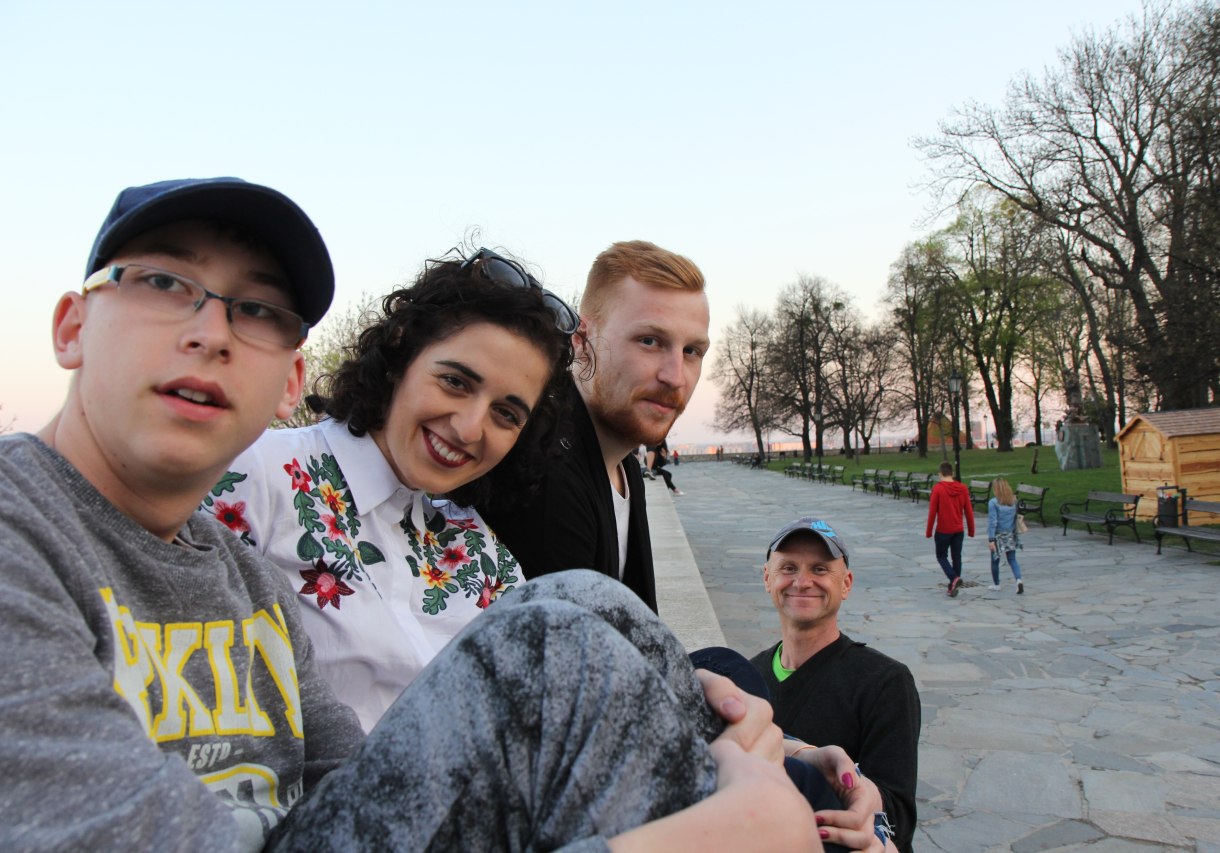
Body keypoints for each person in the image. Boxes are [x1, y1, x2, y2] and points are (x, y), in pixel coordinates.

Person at [0, 177, 850, 851]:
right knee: (560, 635)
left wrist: (737, 727)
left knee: (597, 613)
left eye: (256, 311)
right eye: (164, 284)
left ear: (289, 376)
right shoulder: (234, 493)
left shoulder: (263, 575)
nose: (213, 333)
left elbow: (362, 777)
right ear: (71, 327)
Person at [203, 249, 576, 730]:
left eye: (505, 414)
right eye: (455, 382)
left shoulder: (477, 549)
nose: (469, 428)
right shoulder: (256, 475)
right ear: (401, 353)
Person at [479, 240, 711, 612]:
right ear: (581, 342)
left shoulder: (620, 463)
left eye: (691, 351)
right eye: (649, 341)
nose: (676, 376)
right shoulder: (546, 474)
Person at [751, 518, 921, 852]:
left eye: (819, 569)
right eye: (788, 568)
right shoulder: (748, 676)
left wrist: (861, 799)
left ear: (846, 584)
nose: (802, 582)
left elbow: (899, 815)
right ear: (767, 579)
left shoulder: (885, 681)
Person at [926, 461, 974, 597]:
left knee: (941, 556)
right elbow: (968, 510)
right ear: (952, 473)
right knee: (956, 557)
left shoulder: (938, 489)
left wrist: (929, 531)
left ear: (940, 474)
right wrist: (971, 529)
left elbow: (932, 512)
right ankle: (953, 586)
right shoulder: (963, 488)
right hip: (958, 529)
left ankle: (954, 579)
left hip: (943, 529)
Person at [987, 477, 1025, 594]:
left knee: (995, 560)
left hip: (998, 535)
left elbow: (993, 522)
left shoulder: (993, 503)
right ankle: (1018, 580)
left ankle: (996, 584)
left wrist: (991, 539)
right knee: (1012, 559)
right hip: (1010, 534)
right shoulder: (1013, 501)